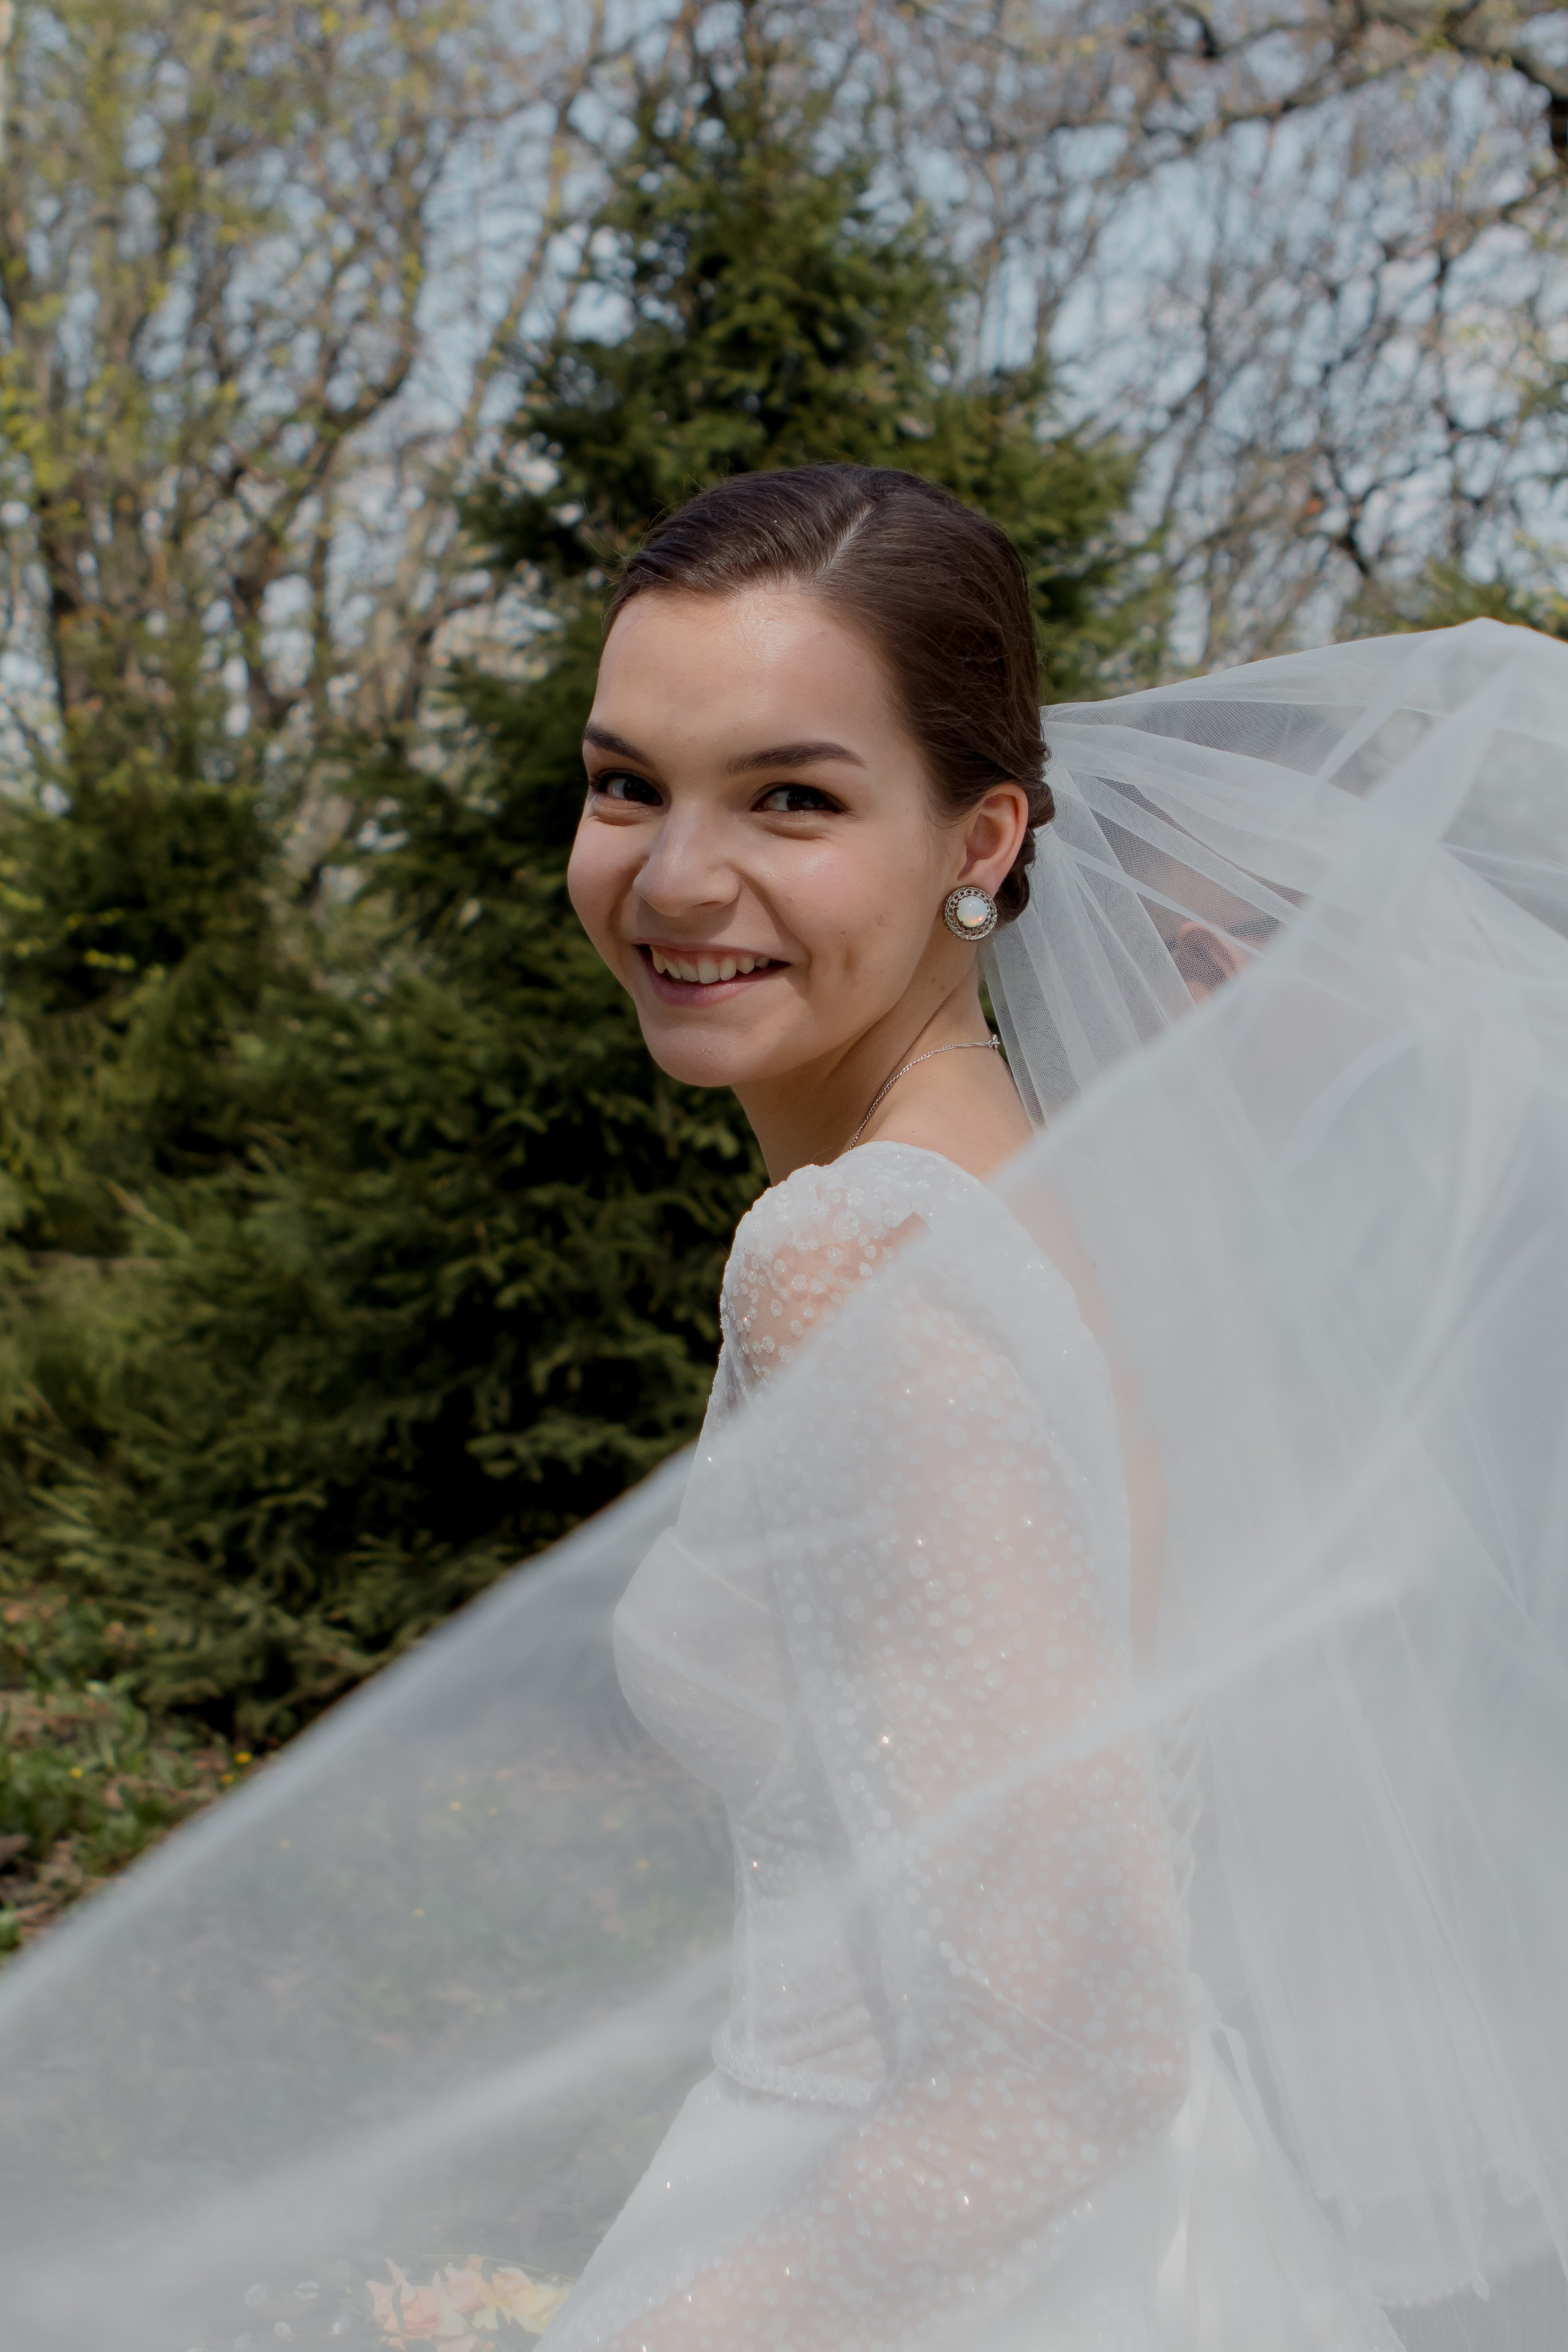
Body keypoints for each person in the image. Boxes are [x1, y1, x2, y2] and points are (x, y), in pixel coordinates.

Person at [2, 467, 1568, 2352]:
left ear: (981, 836)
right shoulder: (1080, 1205)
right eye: (625, 785)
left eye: (791, 798)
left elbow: (1065, 2060)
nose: (674, 878)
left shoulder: (860, 1261)